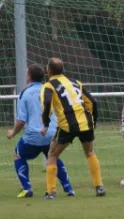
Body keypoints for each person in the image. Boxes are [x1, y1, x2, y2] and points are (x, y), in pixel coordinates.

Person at [6, 64, 74, 198]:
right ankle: (68, 188)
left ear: (29, 77)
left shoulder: (24, 94)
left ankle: (26, 188)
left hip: (34, 135)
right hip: (52, 133)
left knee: (17, 154)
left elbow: (21, 121)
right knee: (53, 157)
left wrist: (12, 133)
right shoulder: (49, 89)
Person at [40, 57, 104, 199]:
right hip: (85, 122)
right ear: (62, 69)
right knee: (90, 152)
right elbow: (93, 102)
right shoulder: (75, 83)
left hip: (67, 125)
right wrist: (94, 121)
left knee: (52, 154)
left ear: (48, 70)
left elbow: (47, 104)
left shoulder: (49, 86)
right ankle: (99, 187)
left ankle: (51, 192)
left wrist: (45, 124)